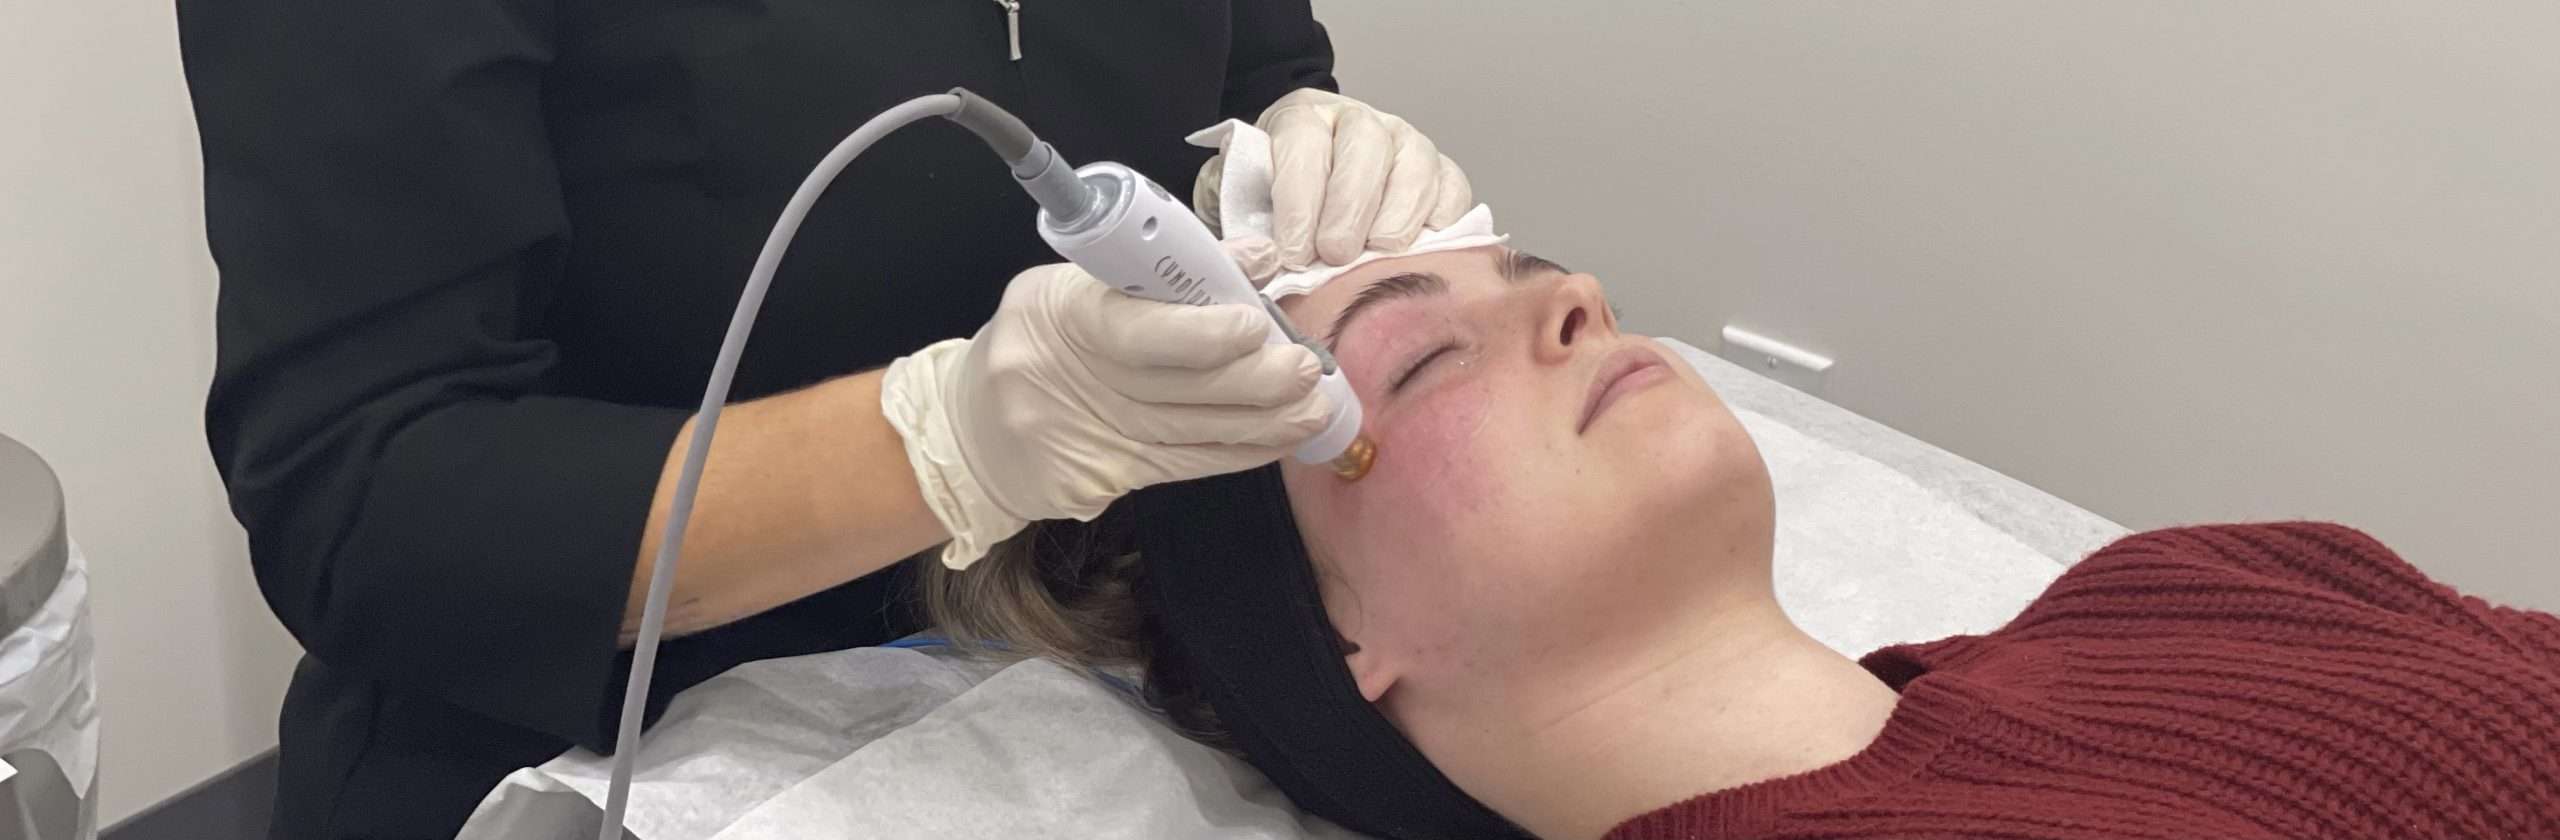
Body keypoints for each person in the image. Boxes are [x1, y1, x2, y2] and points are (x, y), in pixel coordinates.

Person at [177, 0, 1480, 834]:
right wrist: (942, 445)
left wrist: (1288, 135)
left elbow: (1250, 60)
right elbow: (360, 500)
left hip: (1118, 685)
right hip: (616, 750)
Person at [925, 245, 2560, 840]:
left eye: (1545, 281)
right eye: (1423, 358)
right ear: (1343, 650)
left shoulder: (2202, 582)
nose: (1575, 300)